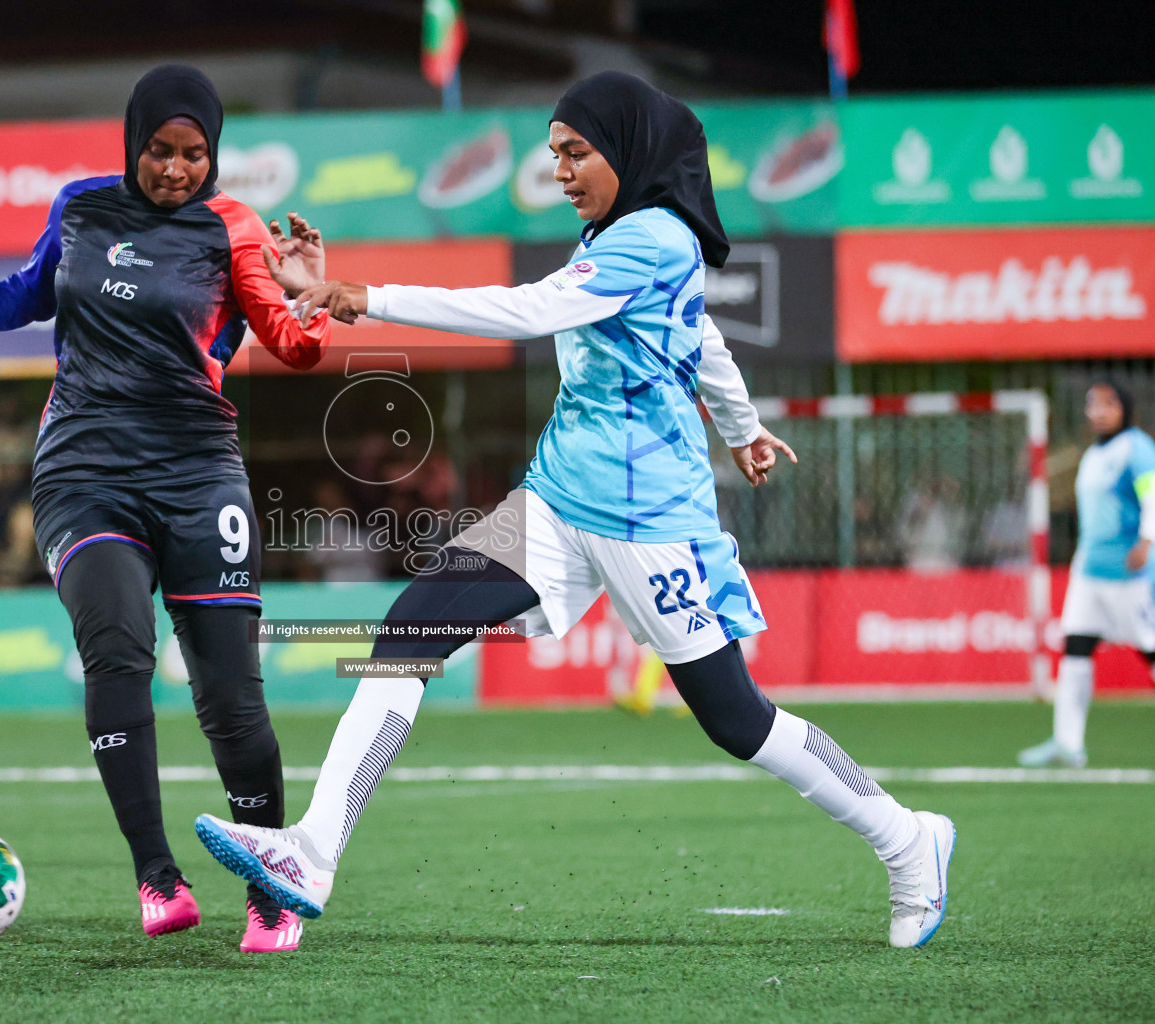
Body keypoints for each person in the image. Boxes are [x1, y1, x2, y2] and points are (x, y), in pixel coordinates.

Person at [194, 71, 954, 950]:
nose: (559, 170)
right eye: (553, 153)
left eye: (576, 152)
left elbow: (533, 311)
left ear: (626, 150)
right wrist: (743, 429)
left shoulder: (655, 239)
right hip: (556, 499)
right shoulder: (616, 231)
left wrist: (367, 296)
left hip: (646, 520)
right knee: (407, 633)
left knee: (737, 719)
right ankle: (311, 855)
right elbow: (700, 335)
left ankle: (908, 839)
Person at [0, 65, 331, 953]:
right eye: (161, 150)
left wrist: (308, 286)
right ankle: (157, 878)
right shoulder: (80, 207)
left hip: (198, 472)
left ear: (214, 155)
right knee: (116, 652)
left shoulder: (232, 227)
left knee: (230, 697)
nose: (177, 170)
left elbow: (296, 349)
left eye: (195, 154)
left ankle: (269, 888)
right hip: (84, 467)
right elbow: (32, 290)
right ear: (133, 142)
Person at [1020, 383, 1155, 768]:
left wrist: (1147, 540)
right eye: (1092, 404)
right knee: (1076, 649)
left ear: (1125, 408)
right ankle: (1068, 743)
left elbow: (1153, 494)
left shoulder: (1136, 447)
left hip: (1129, 572)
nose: (1097, 411)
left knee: (1150, 650)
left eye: (1108, 403)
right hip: (1089, 571)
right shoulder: (1095, 453)